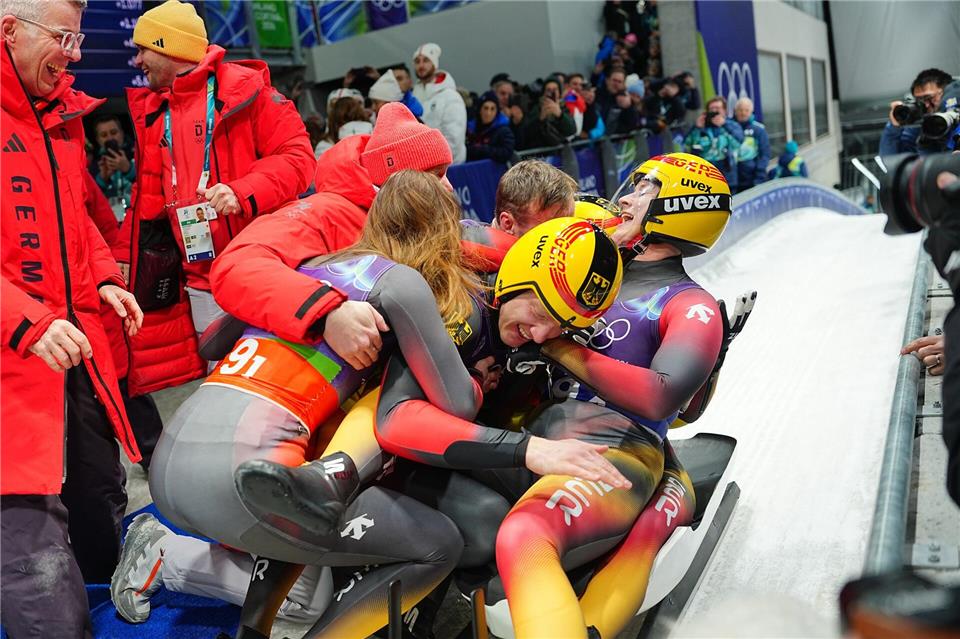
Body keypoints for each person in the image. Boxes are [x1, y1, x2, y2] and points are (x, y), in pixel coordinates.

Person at [489, 152, 732, 639]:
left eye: (642, 190)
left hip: (618, 447)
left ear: (681, 207)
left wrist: (558, 346)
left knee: (526, 536)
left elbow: (662, 399)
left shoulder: (692, 306)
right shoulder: (580, 253)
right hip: (530, 433)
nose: (623, 198)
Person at [1, 0, 145, 635]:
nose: (79, 53)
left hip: (74, 351)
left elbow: (77, 215)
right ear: (10, 30)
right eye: (64, 36)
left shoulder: (61, 115)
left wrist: (107, 276)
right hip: (13, 372)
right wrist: (27, 322)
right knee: (37, 569)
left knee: (99, 505)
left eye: (80, 36)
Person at [121, 0, 315, 394]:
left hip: (262, 269)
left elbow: (299, 160)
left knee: (279, 384)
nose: (137, 60)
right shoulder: (154, 112)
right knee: (222, 389)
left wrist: (243, 191)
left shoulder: (250, 93)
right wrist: (122, 260)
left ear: (169, 47)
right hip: (200, 282)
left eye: (143, 49)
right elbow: (147, 201)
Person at [412, 42, 467, 164]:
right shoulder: (414, 98)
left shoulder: (450, 96)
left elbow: (454, 139)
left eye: (426, 60)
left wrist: (435, 163)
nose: (421, 65)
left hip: (449, 168)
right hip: (422, 169)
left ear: (434, 64)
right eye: (417, 61)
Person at [880, 68, 955, 156]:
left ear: (948, 93)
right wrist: (893, 127)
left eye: (929, 98)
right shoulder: (919, 127)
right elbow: (891, 159)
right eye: (919, 100)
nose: (925, 105)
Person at [684, 95, 744, 189]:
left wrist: (724, 125)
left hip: (727, 172)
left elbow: (738, 144)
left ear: (724, 111)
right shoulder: (700, 126)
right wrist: (696, 128)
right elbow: (686, 146)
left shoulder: (732, 125)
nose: (715, 111)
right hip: (704, 174)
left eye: (718, 108)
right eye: (712, 108)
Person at [520, 76, 576, 150]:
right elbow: (527, 133)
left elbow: (572, 130)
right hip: (541, 153)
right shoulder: (536, 108)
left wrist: (560, 115)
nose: (552, 93)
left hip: (559, 152)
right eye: (548, 90)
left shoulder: (563, 108)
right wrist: (540, 119)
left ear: (559, 93)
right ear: (543, 93)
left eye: (555, 89)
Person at [91, 114, 135, 207]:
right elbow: (91, 200)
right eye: (104, 135)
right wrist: (102, 179)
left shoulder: (138, 154)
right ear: (98, 139)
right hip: (109, 217)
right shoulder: (94, 164)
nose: (110, 138)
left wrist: (129, 169)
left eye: (114, 132)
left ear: (122, 133)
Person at [733, 96, 770, 192]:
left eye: (746, 110)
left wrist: (759, 177)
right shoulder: (729, 128)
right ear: (735, 111)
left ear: (751, 112)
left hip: (752, 178)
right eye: (740, 110)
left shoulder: (759, 129)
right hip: (733, 179)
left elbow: (765, 154)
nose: (743, 113)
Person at [466, 90, 515, 163]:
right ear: (480, 110)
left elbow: (506, 152)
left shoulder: (504, 131)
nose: (488, 113)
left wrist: (483, 150)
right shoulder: (470, 128)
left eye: (492, 109)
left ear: (497, 111)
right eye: (485, 108)